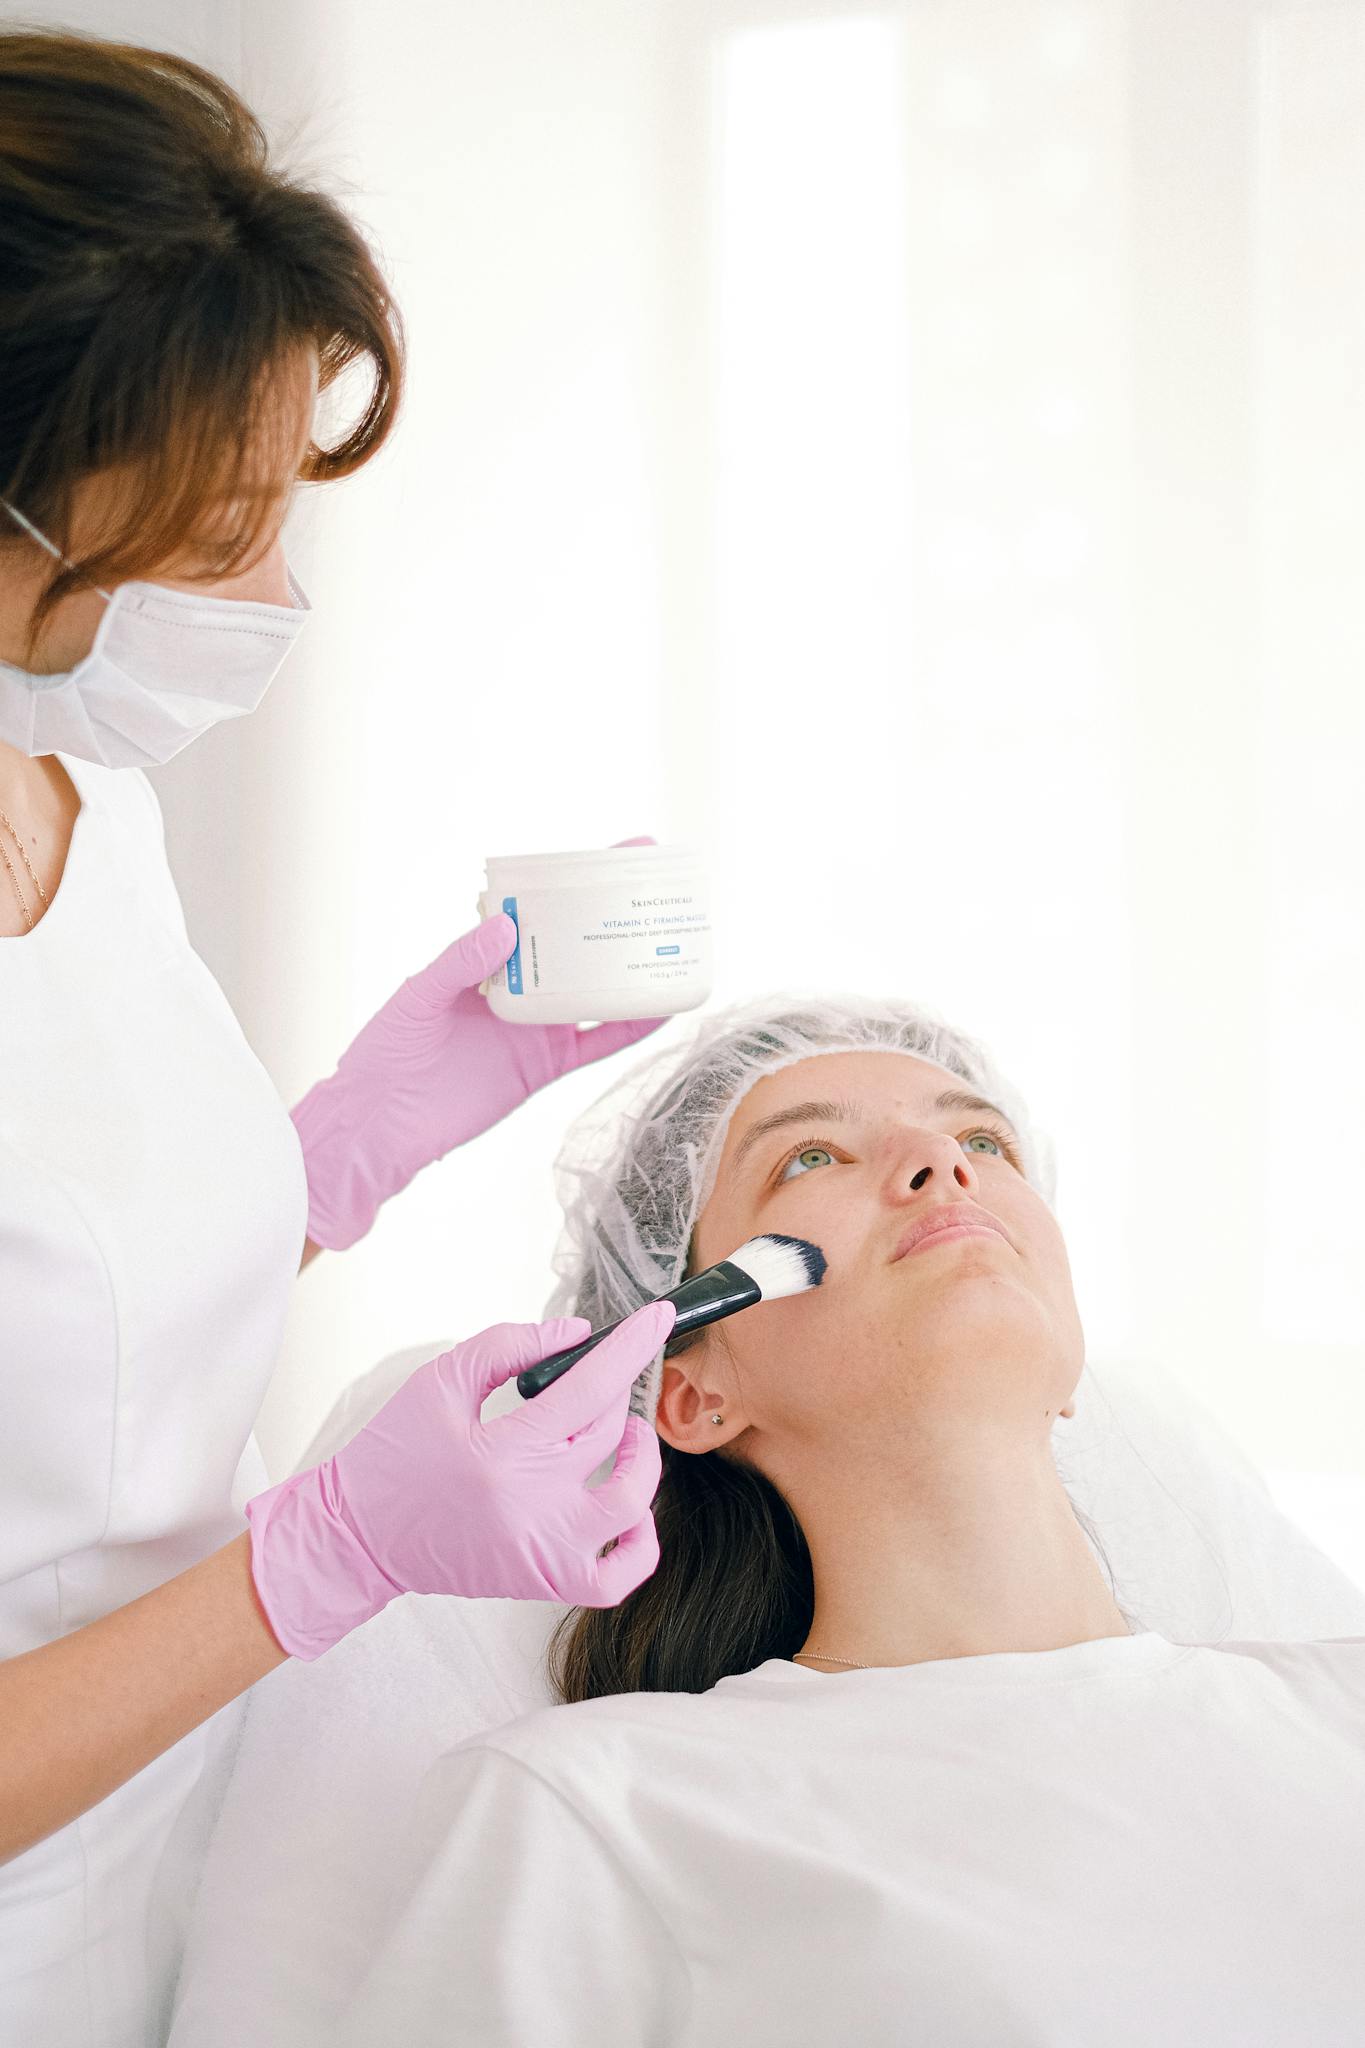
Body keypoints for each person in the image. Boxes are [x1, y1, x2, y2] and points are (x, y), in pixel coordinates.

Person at [0, 31, 672, 2046]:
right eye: (214, 535)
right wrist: (323, 1558)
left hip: (168, 1883)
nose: (271, 592)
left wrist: (341, 1153)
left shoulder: (72, 787)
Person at [339, 996, 1365, 2047]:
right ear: (691, 1391)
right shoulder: (601, 1808)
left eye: (981, 1137)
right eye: (811, 1157)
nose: (937, 1158)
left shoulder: (1342, 1708)